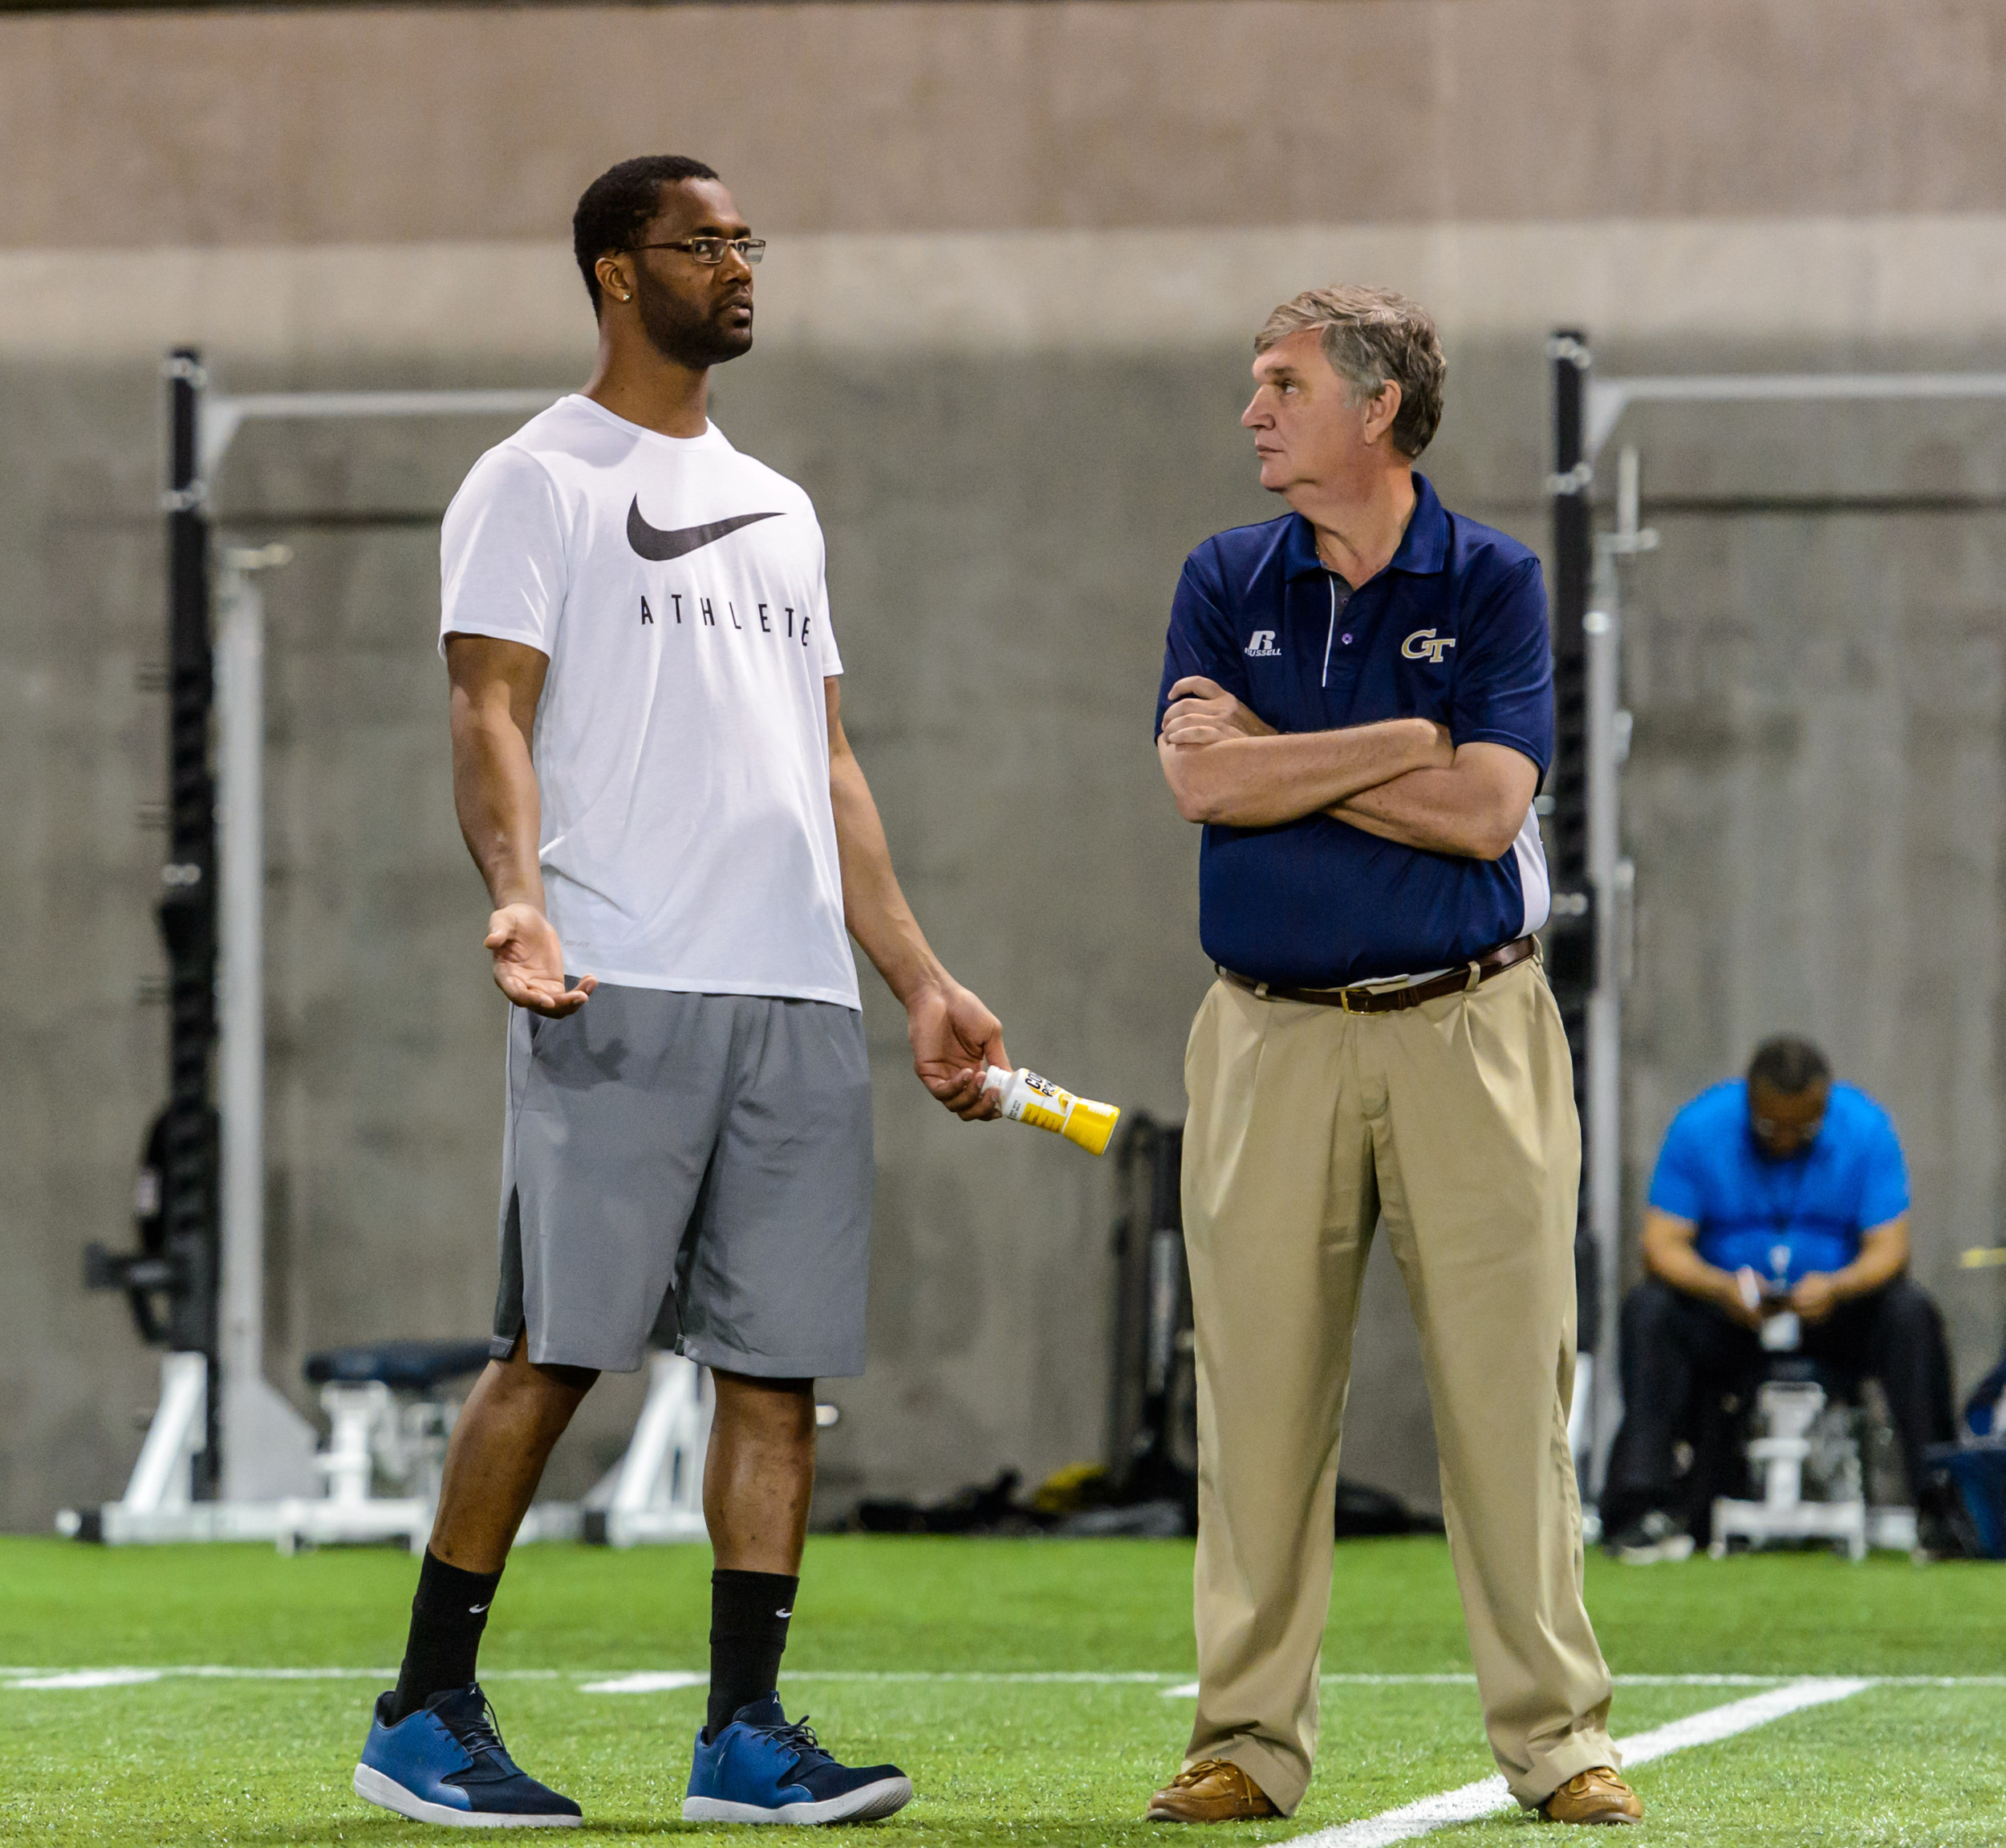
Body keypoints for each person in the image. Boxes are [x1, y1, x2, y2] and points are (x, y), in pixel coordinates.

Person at [351, 154, 1008, 1830]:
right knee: (557, 1350)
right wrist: (515, 893)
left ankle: (743, 1733)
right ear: (612, 272)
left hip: (796, 992)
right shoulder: (534, 479)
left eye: (743, 241)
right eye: (698, 243)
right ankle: (422, 1706)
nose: (736, 266)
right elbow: (487, 710)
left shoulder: (782, 505)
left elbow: (828, 762)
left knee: (775, 1371)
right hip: (616, 974)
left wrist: (917, 976)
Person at [1148, 286, 1638, 1828]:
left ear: (1377, 408)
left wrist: (1275, 759)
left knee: (1509, 1398)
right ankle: (1244, 1741)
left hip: (1469, 1029)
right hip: (1265, 1035)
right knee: (1256, 1405)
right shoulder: (1225, 574)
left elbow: (1488, 810)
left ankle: (1558, 1741)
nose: (1252, 410)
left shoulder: (1491, 579)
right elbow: (1197, 786)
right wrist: (1394, 743)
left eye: (1282, 383)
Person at [1599, 1036, 1955, 1560]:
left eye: (1802, 1129)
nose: (1786, 1140)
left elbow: (1890, 1248)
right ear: (1749, 1101)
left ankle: (1943, 1506)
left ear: (1824, 1106)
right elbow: (1661, 1244)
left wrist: (1838, 1286)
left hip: (1831, 1316)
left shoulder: (1866, 1128)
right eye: (1771, 1127)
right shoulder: (1700, 1127)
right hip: (1732, 1318)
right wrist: (1721, 1286)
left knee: (1910, 1313)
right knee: (1650, 1310)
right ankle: (1642, 1504)